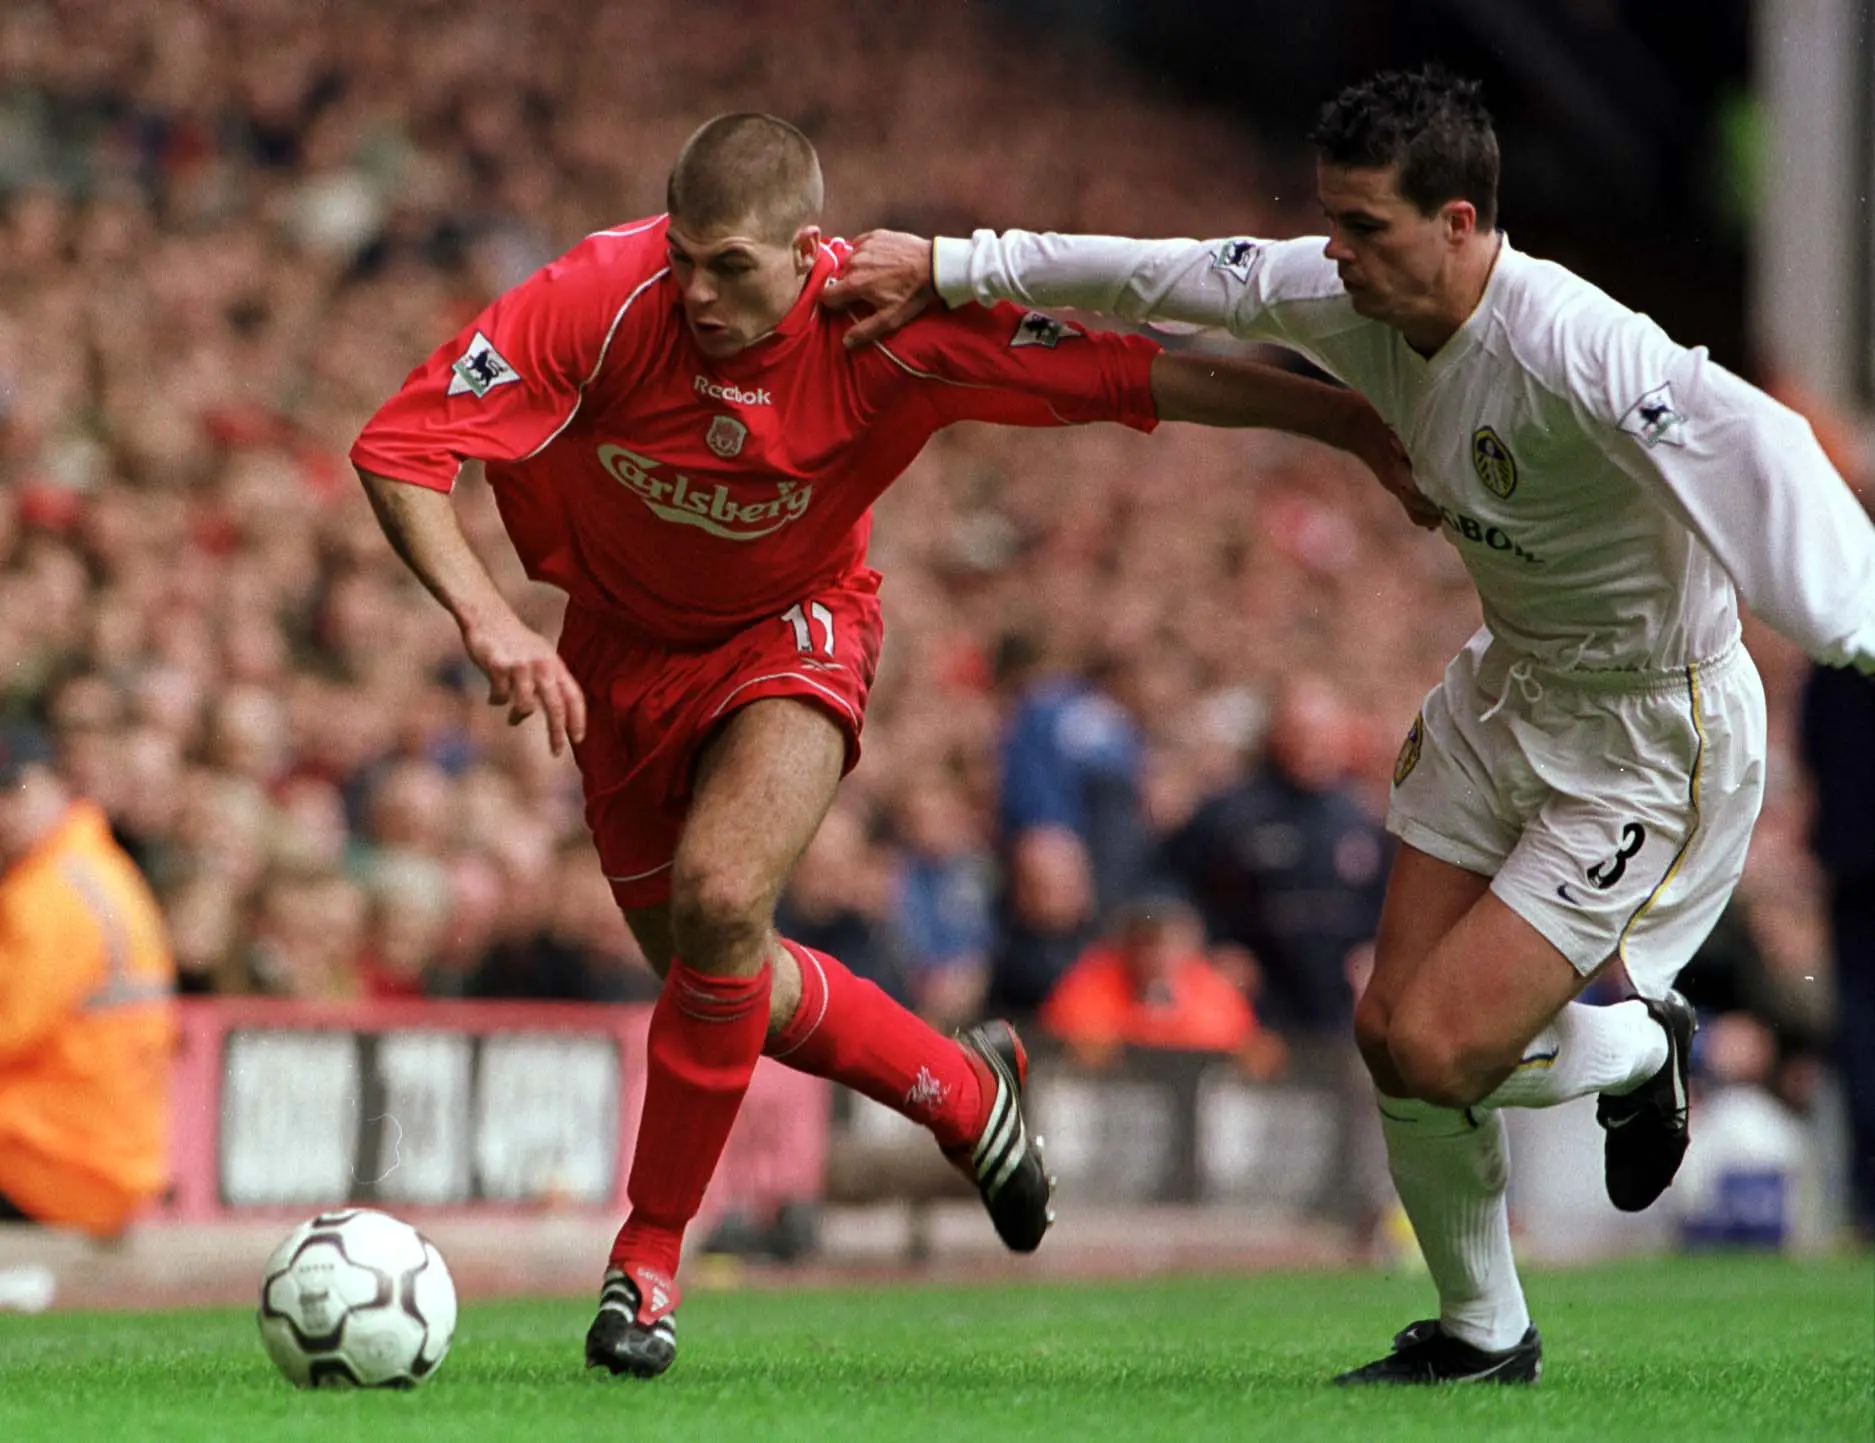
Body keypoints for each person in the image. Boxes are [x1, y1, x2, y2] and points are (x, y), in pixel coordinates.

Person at [824, 67, 1875, 1383]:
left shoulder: (1575, 343)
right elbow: (1157, 274)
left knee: (1440, 1043)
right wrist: (954, 265)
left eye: (1364, 226)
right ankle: (1480, 1326)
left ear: (1456, 223)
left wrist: (1854, 617)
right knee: (1386, 1033)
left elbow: (1757, 442)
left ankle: (1635, 1046)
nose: (1335, 252)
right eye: (1327, 220)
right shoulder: (1331, 289)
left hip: (1643, 731)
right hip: (1509, 685)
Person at [350, 112, 1422, 1379]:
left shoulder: (888, 324)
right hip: (614, 653)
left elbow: (1146, 375)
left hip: (792, 628)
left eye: (731, 267)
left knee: (720, 901)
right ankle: (962, 1093)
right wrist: (488, 617)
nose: (696, 290)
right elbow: (400, 447)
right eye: (685, 255)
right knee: (715, 970)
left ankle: (645, 1266)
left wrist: (1350, 423)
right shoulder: (601, 293)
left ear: (807, 252)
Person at [0, 724, 177, 1238]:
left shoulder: (48, 892)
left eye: (15, 792)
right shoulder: (103, 868)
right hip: (107, 1159)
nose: (4, 812)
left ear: (59, 785)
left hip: (53, 1160)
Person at [1165, 671, 1389, 1040]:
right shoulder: (1229, 811)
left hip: (1338, 1008)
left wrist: (1376, 953)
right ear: (1276, 735)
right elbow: (1173, 885)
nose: (1310, 746)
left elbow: (1388, 904)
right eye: (1299, 733)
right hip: (1252, 1003)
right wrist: (1211, 951)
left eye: (1321, 733)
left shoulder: (1363, 819)